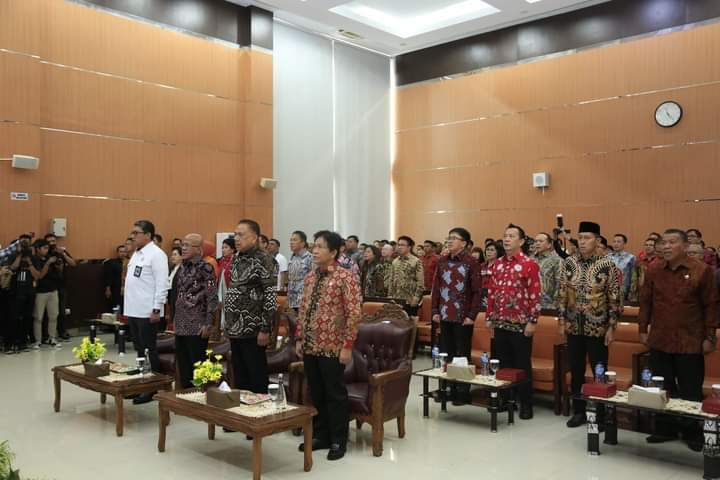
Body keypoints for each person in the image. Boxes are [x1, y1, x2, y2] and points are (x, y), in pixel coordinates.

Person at [639, 229, 718, 451]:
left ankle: (692, 432)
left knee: (690, 389)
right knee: (661, 387)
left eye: (672, 242)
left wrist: (710, 336)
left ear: (684, 246)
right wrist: (642, 329)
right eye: (664, 242)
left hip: (690, 340)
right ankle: (665, 428)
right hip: (660, 338)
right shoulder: (654, 269)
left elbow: (711, 305)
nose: (666, 246)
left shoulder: (702, 270)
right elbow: (645, 301)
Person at [295, 230, 361, 461]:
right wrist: (299, 337)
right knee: (316, 391)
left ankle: (338, 439)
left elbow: (354, 313)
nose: (315, 250)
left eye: (320, 247)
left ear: (333, 252)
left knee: (335, 393)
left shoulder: (345, 277)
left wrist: (347, 345)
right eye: (314, 246)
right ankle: (321, 434)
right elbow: (303, 308)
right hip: (311, 344)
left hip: (333, 345)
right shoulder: (310, 277)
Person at [558, 222, 622, 428]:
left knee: (599, 371)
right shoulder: (569, 262)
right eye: (580, 238)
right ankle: (579, 411)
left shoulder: (607, 264)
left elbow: (614, 297)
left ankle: (601, 414)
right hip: (574, 326)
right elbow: (562, 292)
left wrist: (611, 326)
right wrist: (562, 321)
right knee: (576, 370)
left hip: (598, 327)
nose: (582, 242)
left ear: (597, 240)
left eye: (587, 238)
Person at [486, 224, 540, 420]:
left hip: (521, 323)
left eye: (511, 236)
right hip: (499, 322)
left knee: (522, 364)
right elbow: (491, 292)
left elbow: (535, 294)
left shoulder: (529, 264)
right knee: (503, 363)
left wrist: (533, 321)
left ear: (522, 241)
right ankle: (506, 400)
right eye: (505, 236)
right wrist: (489, 317)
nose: (506, 239)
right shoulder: (497, 264)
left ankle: (526, 404)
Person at [224, 219, 277, 395]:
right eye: (235, 235)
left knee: (256, 375)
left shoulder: (265, 259)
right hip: (235, 327)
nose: (236, 238)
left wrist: (265, 328)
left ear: (254, 238)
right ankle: (242, 409)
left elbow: (270, 296)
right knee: (240, 376)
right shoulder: (236, 258)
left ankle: (259, 408)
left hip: (253, 328)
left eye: (241, 235)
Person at [431, 227, 481, 404]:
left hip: (463, 316)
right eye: (449, 237)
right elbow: (436, 287)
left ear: (464, 243)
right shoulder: (442, 260)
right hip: (445, 314)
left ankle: (462, 391)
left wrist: (472, 315)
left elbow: (477, 291)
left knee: (462, 354)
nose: (450, 241)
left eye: (454, 238)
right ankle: (445, 387)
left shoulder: (471, 262)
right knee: (445, 353)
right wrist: (435, 310)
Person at [124, 220, 170, 405]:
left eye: (136, 233)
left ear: (148, 235)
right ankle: (140, 383)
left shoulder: (157, 255)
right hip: (133, 310)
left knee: (149, 350)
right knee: (139, 349)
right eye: (132, 232)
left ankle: (152, 387)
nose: (133, 236)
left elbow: (162, 284)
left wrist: (157, 308)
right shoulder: (137, 253)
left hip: (147, 311)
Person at [174, 234, 218, 389]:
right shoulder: (182, 267)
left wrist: (208, 323)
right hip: (181, 323)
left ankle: (201, 396)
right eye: (183, 245)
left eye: (187, 245)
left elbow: (212, 296)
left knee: (198, 366)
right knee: (184, 365)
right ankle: (186, 396)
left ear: (198, 249)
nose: (183, 248)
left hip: (197, 325)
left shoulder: (206, 268)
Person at [30, 239, 62, 349]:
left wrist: (58, 264)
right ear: (38, 249)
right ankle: (38, 340)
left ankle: (52, 338)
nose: (46, 250)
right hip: (40, 292)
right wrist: (48, 263)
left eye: (47, 248)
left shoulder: (51, 257)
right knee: (38, 317)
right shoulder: (34, 259)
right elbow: (40, 276)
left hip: (53, 290)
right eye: (44, 248)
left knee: (54, 316)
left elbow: (59, 271)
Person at [43, 234, 76, 340]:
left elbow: (73, 264)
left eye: (53, 241)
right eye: (49, 241)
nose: (52, 243)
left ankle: (62, 331)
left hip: (62, 285)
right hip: (49, 286)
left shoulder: (61, 252)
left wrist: (63, 254)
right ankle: (47, 334)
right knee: (48, 312)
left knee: (62, 310)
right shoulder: (45, 253)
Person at [385, 236, 424, 320]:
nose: (399, 247)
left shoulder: (416, 261)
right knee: (395, 322)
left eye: (402, 245)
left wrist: (416, 297)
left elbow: (420, 282)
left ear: (409, 247)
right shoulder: (395, 261)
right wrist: (390, 295)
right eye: (398, 245)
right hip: (396, 300)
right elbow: (391, 280)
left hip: (410, 300)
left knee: (409, 323)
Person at [534, 232, 562, 310]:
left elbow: (559, 283)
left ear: (549, 244)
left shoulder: (556, 261)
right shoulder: (530, 260)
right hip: (531, 304)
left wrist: (555, 304)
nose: (537, 243)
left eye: (541, 241)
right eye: (536, 241)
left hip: (548, 305)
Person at [288, 231, 313, 314]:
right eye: (291, 240)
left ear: (303, 243)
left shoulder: (310, 258)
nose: (291, 242)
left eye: (294, 240)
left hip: (304, 299)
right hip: (292, 298)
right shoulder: (292, 257)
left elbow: (314, 279)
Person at [629, 237, 661, 303]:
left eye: (651, 245)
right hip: (641, 293)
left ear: (656, 247)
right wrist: (633, 294)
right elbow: (634, 279)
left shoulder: (660, 261)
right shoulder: (639, 260)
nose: (648, 247)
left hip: (656, 294)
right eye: (646, 245)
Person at [609, 234, 635, 301]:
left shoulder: (631, 258)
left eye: (618, 242)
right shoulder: (607, 257)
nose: (616, 244)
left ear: (624, 244)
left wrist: (631, 293)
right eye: (614, 241)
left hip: (624, 291)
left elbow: (633, 277)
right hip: (609, 291)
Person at [103, 245, 128, 312]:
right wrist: (108, 289)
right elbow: (108, 276)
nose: (123, 253)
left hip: (126, 289)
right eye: (121, 252)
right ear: (117, 253)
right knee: (116, 306)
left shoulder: (129, 262)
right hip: (115, 289)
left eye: (124, 252)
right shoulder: (112, 262)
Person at [479, 241, 504, 308]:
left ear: (498, 252)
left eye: (492, 250)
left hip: (494, 295)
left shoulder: (500, 266)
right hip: (480, 294)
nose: (489, 252)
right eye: (487, 250)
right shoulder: (481, 266)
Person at [166, 247, 183, 330]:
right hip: (171, 298)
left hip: (178, 299)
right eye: (172, 255)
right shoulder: (171, 268)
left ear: (181, 256)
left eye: (175, 254)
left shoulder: (183, 269)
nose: (172, 257)